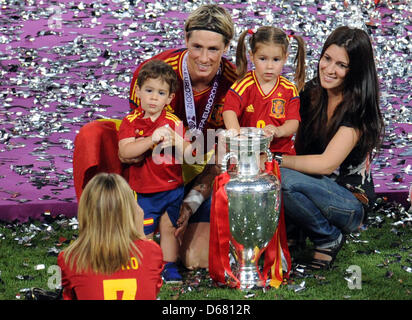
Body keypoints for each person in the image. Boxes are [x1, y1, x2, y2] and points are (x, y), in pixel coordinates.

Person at [127, 4, 237, 269]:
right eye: (197, 46)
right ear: (185, 39)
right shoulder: (155, 73)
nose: (204, 57)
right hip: (156, 173)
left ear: (226, 47)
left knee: (196, 258)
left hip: (205, 172)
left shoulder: (235, 80)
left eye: (213, 49)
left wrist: (192, 201)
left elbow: (221, 157)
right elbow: (137, 142)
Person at [277, 26, 385, 269]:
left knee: (281, 177)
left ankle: (327, 237)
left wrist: (277, 160)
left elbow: (327, 164)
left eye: (341, 65)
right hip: (312, 188)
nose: (329, 69)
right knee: (277, 178)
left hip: (349, 204)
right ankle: (296, 231)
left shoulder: (359, 108)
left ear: (354, 71)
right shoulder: (311, 92)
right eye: (327, 58)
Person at [118, 59, 191, 282]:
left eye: (160, 93)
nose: (153, 97)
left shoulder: (174, 121)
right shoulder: (131, 121)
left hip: (172, 188)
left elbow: (191, 154)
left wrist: (177, 142)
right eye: (148, 90)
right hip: (144, 190)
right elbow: (126, 151)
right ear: (138, 91)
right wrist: (151, 140)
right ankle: (146, 265)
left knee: (169, 228)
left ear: (169, 98)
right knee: (144, 231)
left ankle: (169, 265)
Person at [57, 173, 163, 300]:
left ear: (86, 212)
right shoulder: (152, 251)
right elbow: (151, 291)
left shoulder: (70, 258)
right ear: (130, 211)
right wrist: (141, 235)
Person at [223, 26, 306, 157]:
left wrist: (278, 130)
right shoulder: (243, 85)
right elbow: (229, 111)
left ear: (285, 58)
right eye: (263, 59)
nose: (269, 66)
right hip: (247, 152)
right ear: (252, 56)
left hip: (280, 154)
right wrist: (238, 136)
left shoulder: (289, 89)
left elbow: (293, 122)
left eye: (276, 59)